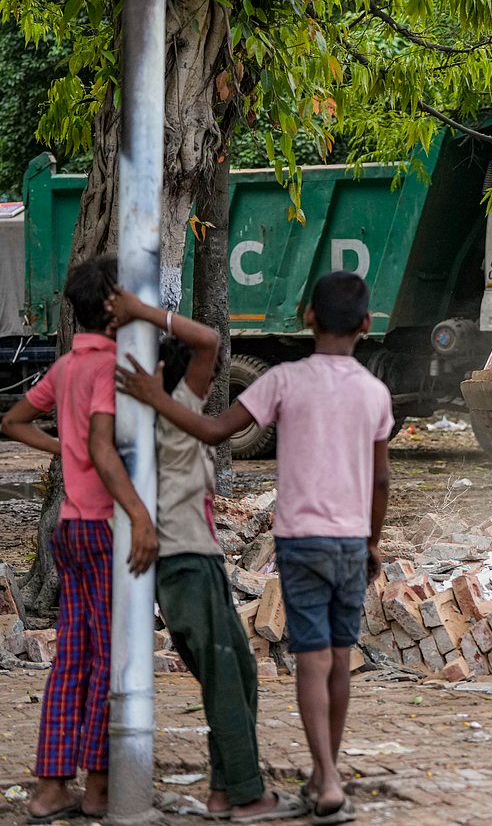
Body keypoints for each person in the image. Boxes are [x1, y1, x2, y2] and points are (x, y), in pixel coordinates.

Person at [117, 271, 392, 825]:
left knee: (310, 660)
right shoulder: (375, 393)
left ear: (305, 315)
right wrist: (371, 541)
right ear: (365, 325)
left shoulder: (284, 380)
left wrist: (152, 396)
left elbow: (216, 431)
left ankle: (328, 779)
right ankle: (325, 776)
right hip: (348, 542)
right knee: (341, 658)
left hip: (300, 541)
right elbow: (381, 480)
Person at [103, 290, 306, 823]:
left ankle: (224, 791)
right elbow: (210, 340)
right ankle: (244, 795)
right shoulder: (178, 409)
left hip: (188, 559)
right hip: (186, 558)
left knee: (236, 672)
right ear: (174, 374)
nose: (210, 375)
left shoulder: (139, 416)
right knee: (227, 676)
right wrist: (143, 311)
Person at [0, 257, 157, 823]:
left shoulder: (67, 366)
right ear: (118, 308)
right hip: (103, 527)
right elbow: (101, 446)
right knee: (109, 657)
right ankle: (96, 788)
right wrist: (139, 515)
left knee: (72, 658)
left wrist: (61, 450)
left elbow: (14, 422)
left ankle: (48, 788)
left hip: (70, 527)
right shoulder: (115, 365)